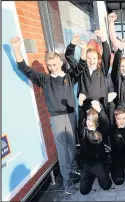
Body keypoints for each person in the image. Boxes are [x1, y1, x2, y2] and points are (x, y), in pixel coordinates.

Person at [10, 36, 80, 194]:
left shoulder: (70, 76)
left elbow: (79, 66)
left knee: (72, 147)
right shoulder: (44, 79)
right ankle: (68, 184)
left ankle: (74, 168)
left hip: (70, 115)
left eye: (54, 64)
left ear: (60, 63)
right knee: (63, 152)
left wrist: (74, 44)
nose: (52, 67)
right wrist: (16, 48)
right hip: (56, 119)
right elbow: (24, 68)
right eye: (49, 65)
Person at [64, 31, 112, 144]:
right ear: (85, 58)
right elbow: (69, 56)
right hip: (85, 108)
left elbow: (107, 55)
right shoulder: (81, 70)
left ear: (98, 59)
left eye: (94, 58)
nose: (91, 60)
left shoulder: (102, 71)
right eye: (89, 58)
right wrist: (72, 44)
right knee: (86, 135)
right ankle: (88, 156)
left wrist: (104, 39)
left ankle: (104, 155)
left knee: (103, 133)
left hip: (100, 107)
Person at [77, 94, 112, 195]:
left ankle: (102, 172)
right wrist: (80, 104)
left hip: (99, 164)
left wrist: (100, 110)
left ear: (96, 121)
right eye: (88, 119)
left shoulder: (101, 130)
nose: (89, 122)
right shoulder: (82, 129)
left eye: (92, 120)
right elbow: (80, 115)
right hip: (86, 164)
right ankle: (91, 176)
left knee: (106, 186)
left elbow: (106, 122)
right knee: (84, 191)